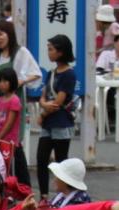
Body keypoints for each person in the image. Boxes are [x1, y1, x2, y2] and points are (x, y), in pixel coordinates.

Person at [0, 19, 41, 148]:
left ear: (9, 34)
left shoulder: (20, 52)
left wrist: (21, 81)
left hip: (14, 102)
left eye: (1, 34)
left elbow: (36, 73)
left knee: (13, 138)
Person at [36, 35, 76, 196]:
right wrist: (45, 106)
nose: (48, 52)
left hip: (60, 122)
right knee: (41, 159)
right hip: (49, 122)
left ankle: (63, 194)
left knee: (61, 161)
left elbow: (58, 102)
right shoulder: (51, 73)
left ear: (61, 52)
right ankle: (44, 195)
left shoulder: (69, 74)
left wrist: (43, 112)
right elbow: (43, 98)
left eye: (51, 49)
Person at [0, 68, 21, 153]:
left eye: (5, 81)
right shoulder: (0, 99)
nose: (1, 84)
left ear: (12, 81)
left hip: (8, 141)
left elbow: (9, 124)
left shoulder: (14, 100)